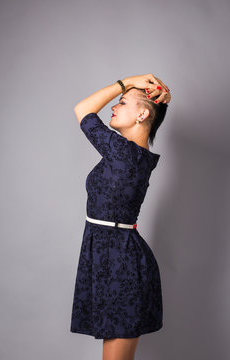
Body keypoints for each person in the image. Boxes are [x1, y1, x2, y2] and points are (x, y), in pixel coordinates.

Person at [70, 74, 171, 360]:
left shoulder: (124, 153)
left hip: (119, 264)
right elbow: (88, 111)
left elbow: (83, 111)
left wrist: (126, 81)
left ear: (142, 114)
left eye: (122, 102)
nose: (113, 106)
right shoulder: (130, 153)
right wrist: (162, 98)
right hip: (113, 257)